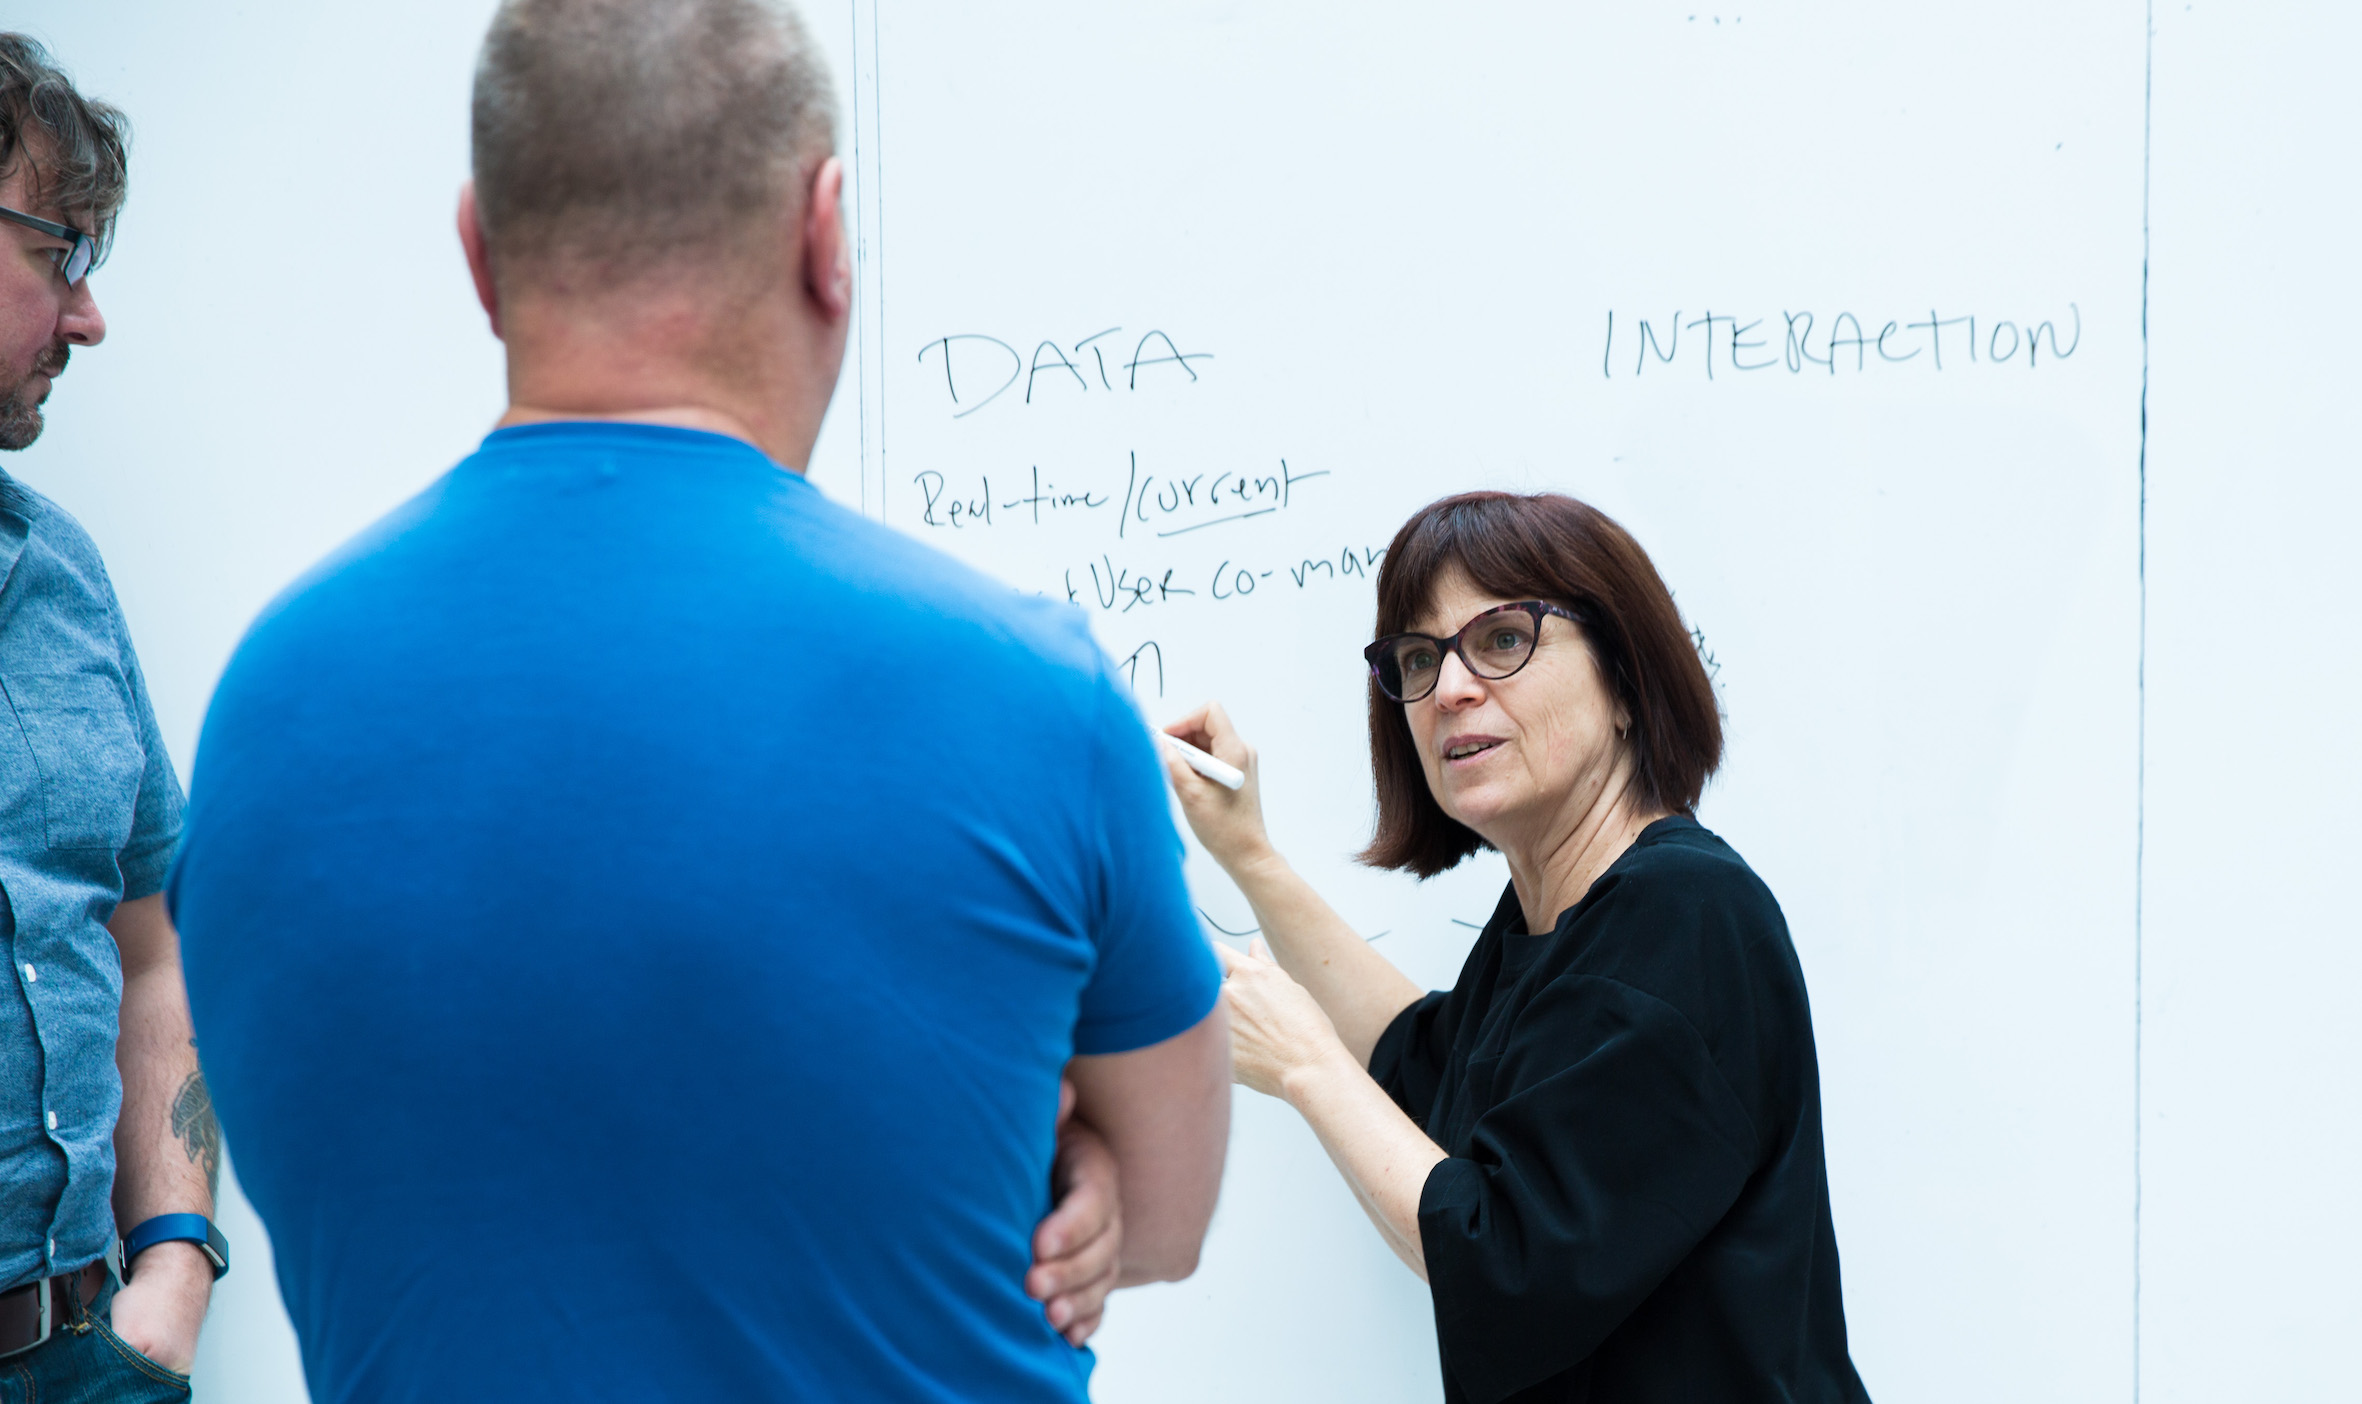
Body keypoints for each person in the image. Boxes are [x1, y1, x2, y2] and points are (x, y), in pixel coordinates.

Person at [165, 1, 1228, 1400]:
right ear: (827, 233)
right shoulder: (1030, 690)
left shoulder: (264, 701)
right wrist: (1049, 1138)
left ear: (479, 253)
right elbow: (1160, 1218)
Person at [1164, 491, 1872, 1404]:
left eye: (1503, 640)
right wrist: (1250, 856)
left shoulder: (1685, 917)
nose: (1451, 688)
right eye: (1420, 658)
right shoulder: (1553, 919)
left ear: (1625, 682)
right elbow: (1419, 1071)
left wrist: (1304, 1064)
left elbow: (1506, 1259)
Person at [0, 35, 225, 1401]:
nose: (87, 320)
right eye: (56, 257)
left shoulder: (65, 575)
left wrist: (178, 1269)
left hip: (90, 1361)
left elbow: (151, 945)